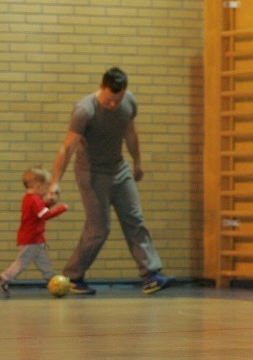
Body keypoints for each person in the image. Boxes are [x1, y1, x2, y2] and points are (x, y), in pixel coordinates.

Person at [49, 66, 175, 295]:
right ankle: (73, 276)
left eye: (117, 100)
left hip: (119, 169)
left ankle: (150, 275)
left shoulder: (129, 103)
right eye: (109, 100)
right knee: (99, 228)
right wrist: (55, 182)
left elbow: (130, 132)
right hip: (92, 173)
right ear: (101, 88)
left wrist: (137, 162)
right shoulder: (84, 110)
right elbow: (67, 148)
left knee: (135, 220)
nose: (113, 105)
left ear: (124, 92)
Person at [1, 166, 68, 298]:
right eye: (45, 186)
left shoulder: (31, 199)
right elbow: (44, 215)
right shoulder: (33, 199)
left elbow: (40, 212)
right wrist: (61, 208)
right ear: (38, 185)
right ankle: (4, 278)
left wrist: (49, 204)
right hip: (30, 240)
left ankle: (52, 280)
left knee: (44, 263)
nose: (46, 190)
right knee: (21, 263)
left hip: (36, 240)